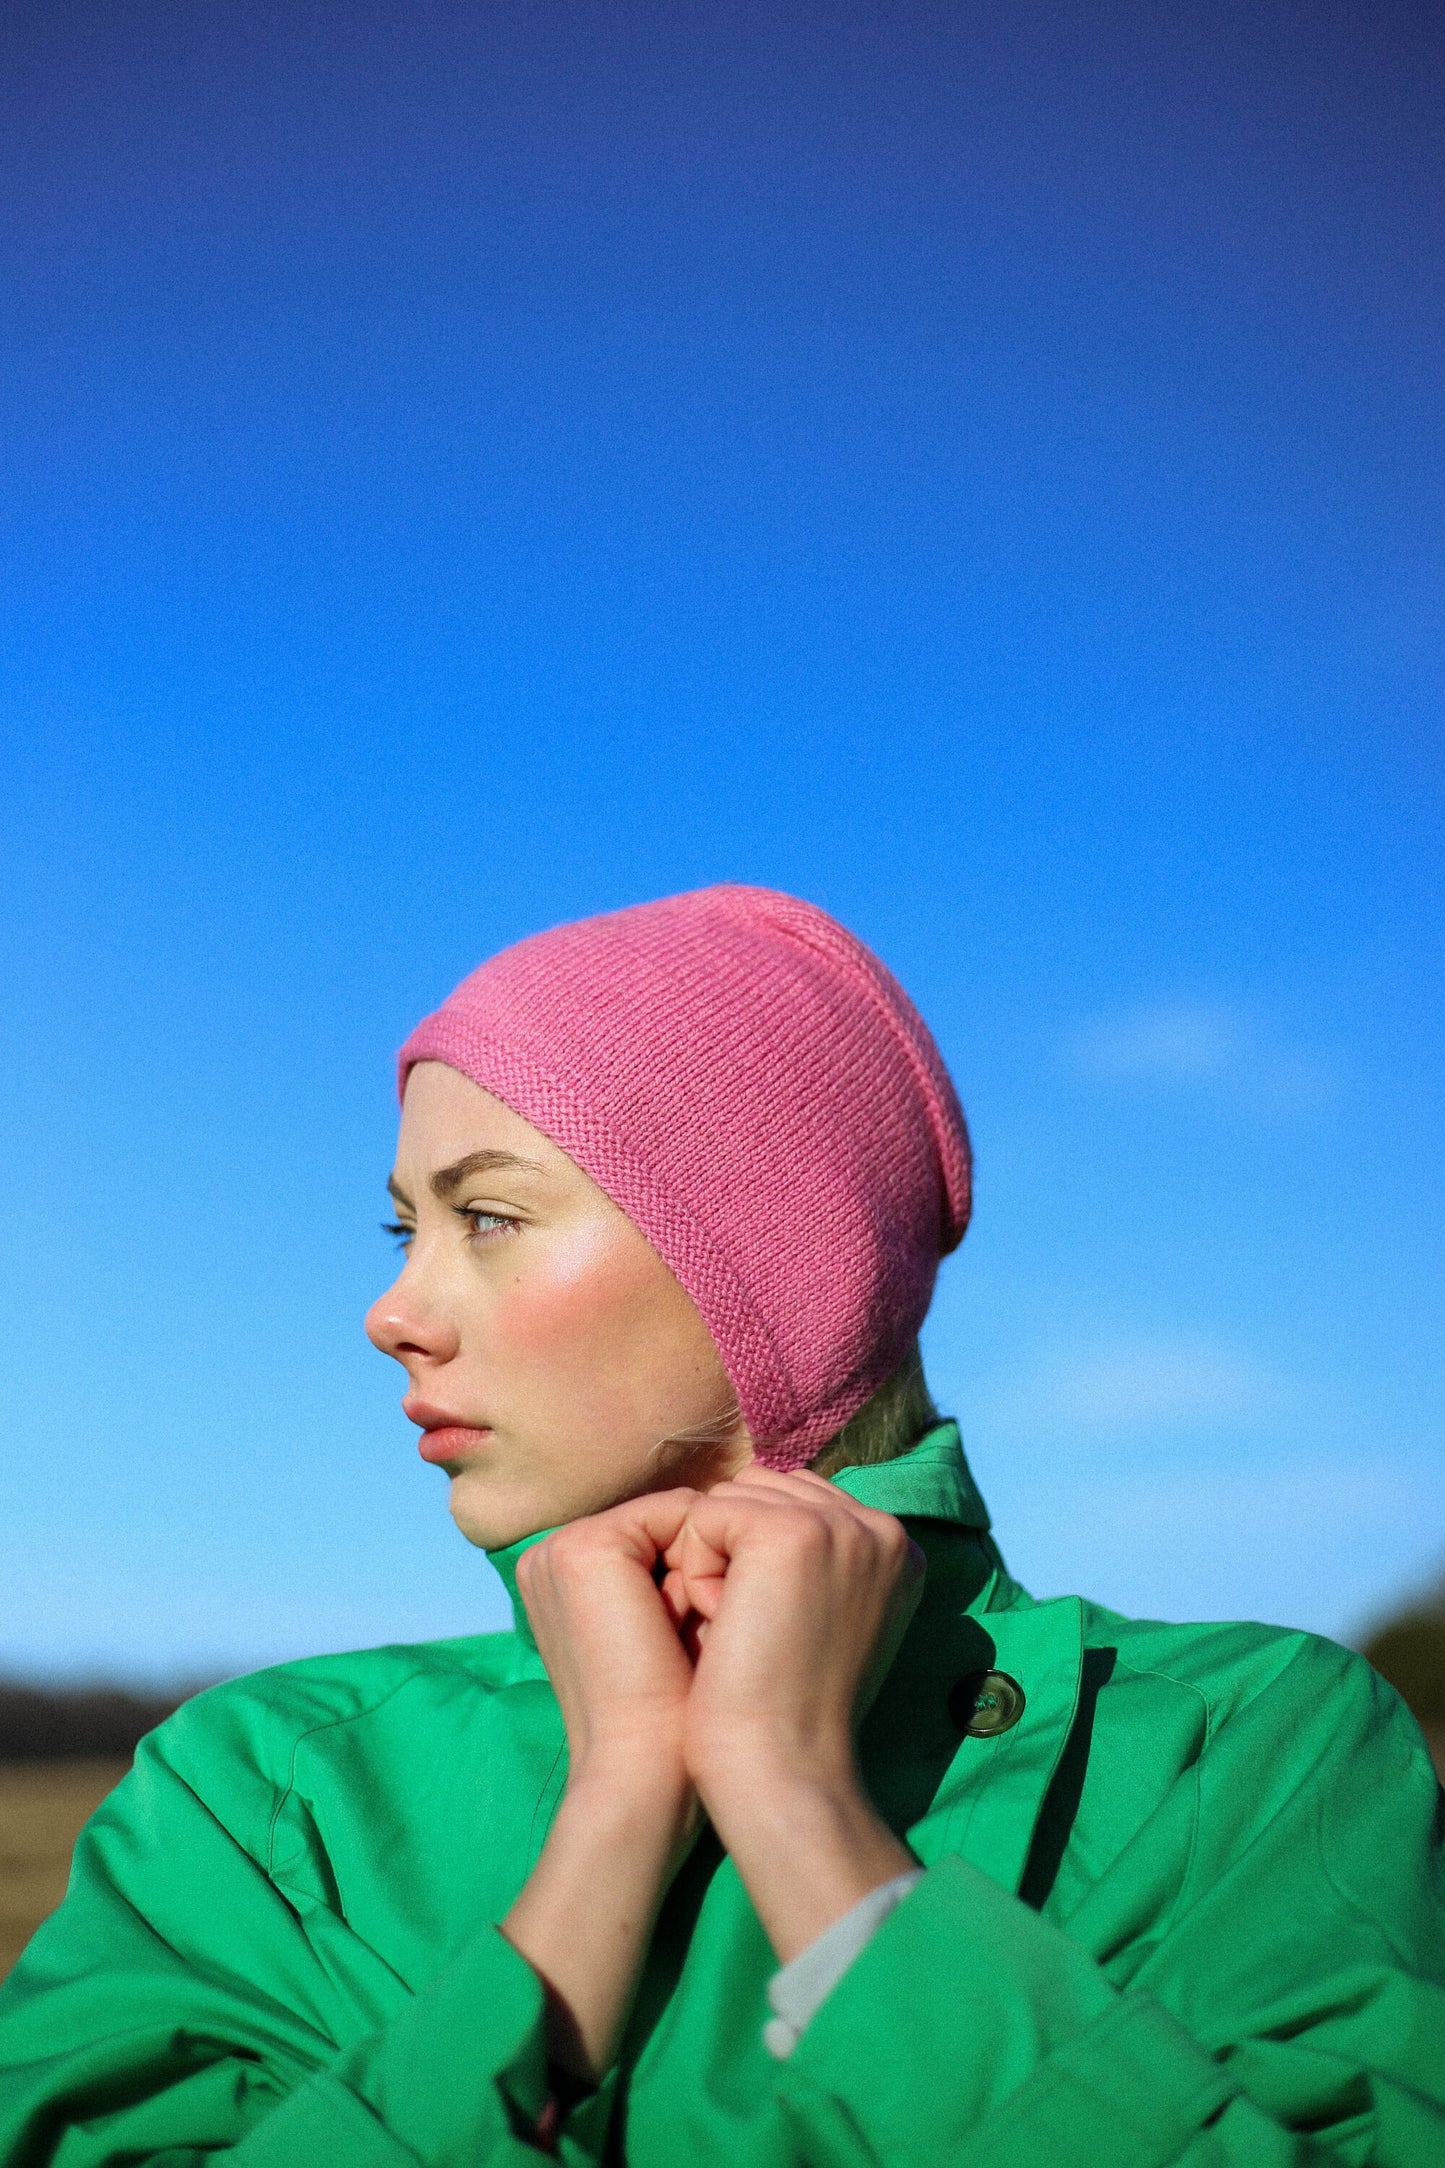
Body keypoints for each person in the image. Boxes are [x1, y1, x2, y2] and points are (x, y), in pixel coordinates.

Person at [1, 884, 1441, 2167]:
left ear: (775, 1255)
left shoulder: (1243, 1749)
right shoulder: (265, 1794)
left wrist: (797, 1802)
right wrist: (611, 1819)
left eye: (487, 1218)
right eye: (403, 1231)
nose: (393, 1315)